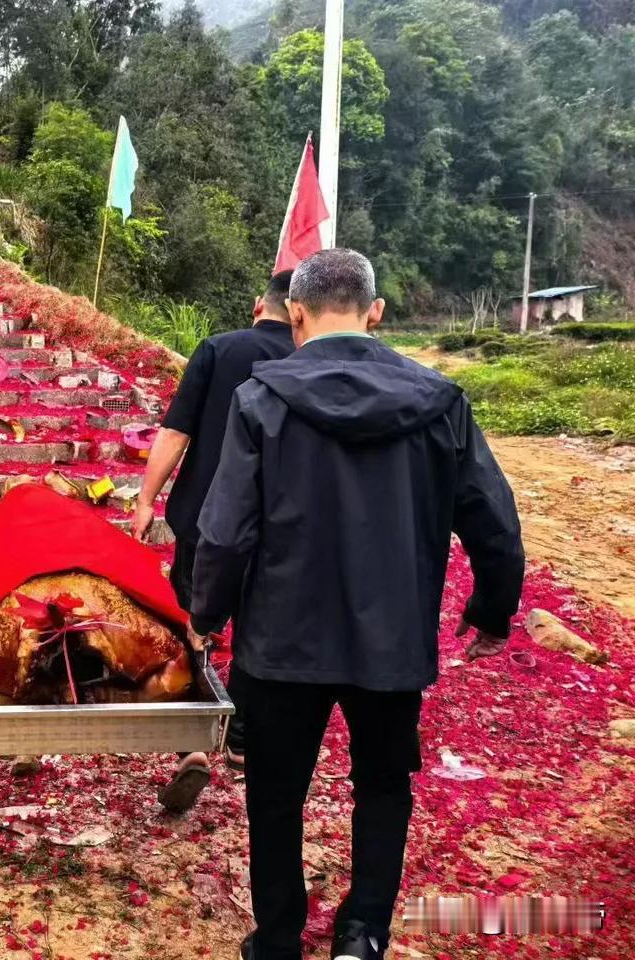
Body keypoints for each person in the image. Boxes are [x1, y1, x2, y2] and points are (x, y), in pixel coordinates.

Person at [188, 249, 524, 960]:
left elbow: (223, 531)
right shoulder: (440, 401)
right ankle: (363, 932)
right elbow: (493, 518)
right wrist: (494, 609)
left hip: (281, 640)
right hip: (392, 639)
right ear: (376, 313)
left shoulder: (262, 400)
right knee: (382, 784)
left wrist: (204, 614)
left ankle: (278, 937)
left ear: (297, 315)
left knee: (276, 794)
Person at [133, 270, 296, 809]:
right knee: (257, 630)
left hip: (205, 519)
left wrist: (145, 499)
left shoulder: (218, 350)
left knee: (192, 624)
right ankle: (243, 741)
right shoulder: (308, 360)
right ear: (299, 311)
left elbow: (175, 433)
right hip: (280, 525)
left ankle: (190, 745)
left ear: (258, 305)